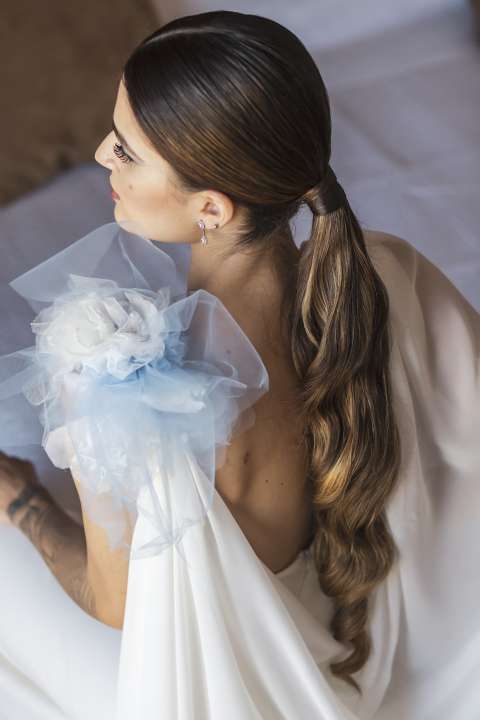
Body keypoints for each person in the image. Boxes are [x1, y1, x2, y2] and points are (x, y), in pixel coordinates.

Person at [0, 10, 479, 720]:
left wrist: (26, 503)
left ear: (213, 209)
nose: (102, 155)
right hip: (334, 638)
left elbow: (117, 606)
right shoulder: (382, 275)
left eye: (128, 152)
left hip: (221, 689)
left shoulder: (136, 386)